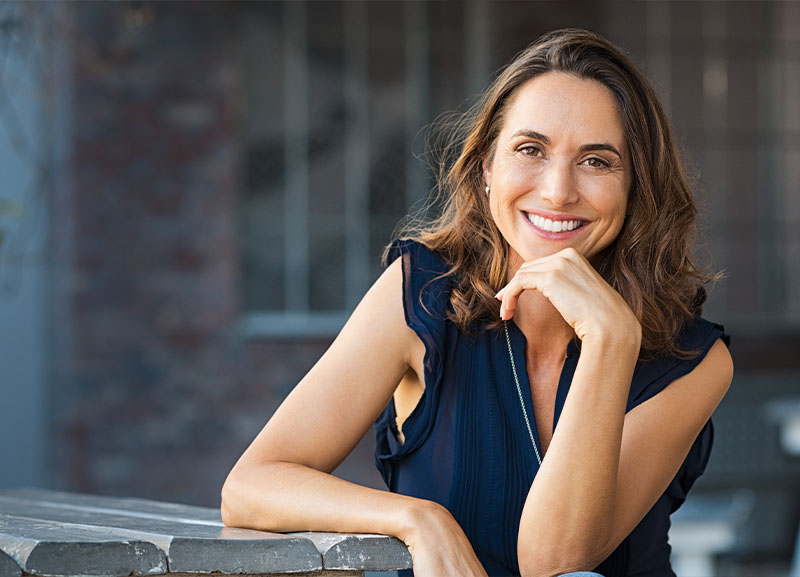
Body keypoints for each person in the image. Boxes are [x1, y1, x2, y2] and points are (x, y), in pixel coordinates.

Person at [221, 28, 733, 577]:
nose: (558, 191)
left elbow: (551, 560)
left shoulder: (694, 360)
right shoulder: (419, 293)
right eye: (530, 150)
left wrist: (612, 340)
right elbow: (252, 485)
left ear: (637, 187)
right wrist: (418, 519)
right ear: (487, 168)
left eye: (597, 161)